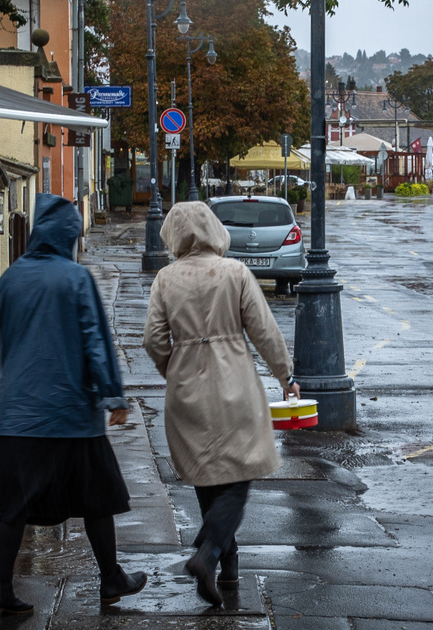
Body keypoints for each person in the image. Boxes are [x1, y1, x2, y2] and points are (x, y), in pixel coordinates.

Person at [0, 193, 147, 615]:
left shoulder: (9, 279)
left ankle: (0, 590)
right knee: (96, 499)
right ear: (69, 234)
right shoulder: (75, 278)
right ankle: (110, 580)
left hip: (17, 418)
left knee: (11, 506)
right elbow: (96, 341)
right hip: (71, 416)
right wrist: (113, 396)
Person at [142, 201, 299, 606]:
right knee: (239, 474)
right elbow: (263, 330)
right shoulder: (235, 273)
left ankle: (227, 565)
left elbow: (154, 340)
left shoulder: (165, 279)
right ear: (215, 229)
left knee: (208, 474)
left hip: (186, 388)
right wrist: (286, 375)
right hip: (235, 384)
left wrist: (174, 369)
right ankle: (209, 553)